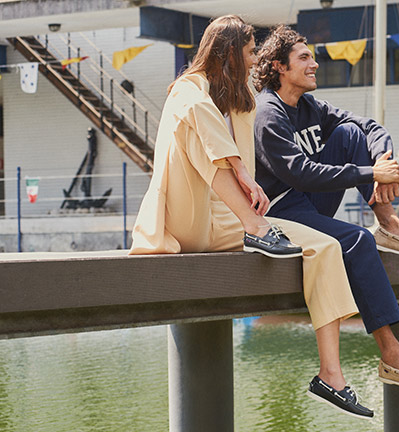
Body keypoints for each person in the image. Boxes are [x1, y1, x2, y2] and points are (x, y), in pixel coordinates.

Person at [129, 16, 372, 419]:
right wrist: (242, 172)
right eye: (248, 52)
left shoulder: (241, 99)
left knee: (325, 246)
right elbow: (206, 131)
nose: (254, 59)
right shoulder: (186, 94)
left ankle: (331, 376)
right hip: (185, 219)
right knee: (196, 120)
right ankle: (258, 227)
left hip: (230, 222)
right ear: (227, 54)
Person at [252, 25, 399, 416]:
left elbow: (370, 127)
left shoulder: (310, 106)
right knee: (357, 241)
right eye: (304, 58)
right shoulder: (267, 113)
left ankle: (389, 224)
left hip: (310, 204)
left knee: (350, 134)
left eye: (312, 56)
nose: (314, 63)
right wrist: (371, 175)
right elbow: (300, 173)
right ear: (279, 67)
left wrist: (383, 162)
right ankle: (392, 355)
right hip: (282, 213)